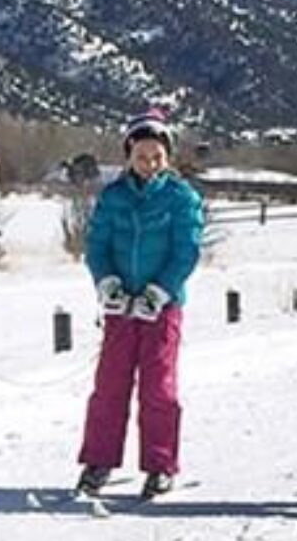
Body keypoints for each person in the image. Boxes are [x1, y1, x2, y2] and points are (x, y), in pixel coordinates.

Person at [75, 109, 204, 500]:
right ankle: (99, 461)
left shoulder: (181, 198)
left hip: (160, 307)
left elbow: (187, 251)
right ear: (129, 153)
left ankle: (159, 464)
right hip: (120, 307)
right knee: (109, 385)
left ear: (167, 157)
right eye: (142, 156)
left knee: (158, 389)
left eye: (157, 157)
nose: (149, 164)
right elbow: (97, 246)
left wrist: (159, 291)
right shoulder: (113, 197)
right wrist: (108, 284)